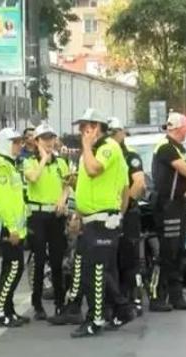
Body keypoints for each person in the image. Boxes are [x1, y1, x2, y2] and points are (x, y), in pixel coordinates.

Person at [55, 109, 135, 338]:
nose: (82, 132)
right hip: (90, 219)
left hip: (103, 219)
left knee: (95, 272)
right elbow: (85, 187)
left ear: (97, 128)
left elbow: (93, 171)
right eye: (81, 128)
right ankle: (122, 308)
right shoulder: (91, 151)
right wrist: (77, 216)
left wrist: (87, 146)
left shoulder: (108, 147)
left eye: (86, 127)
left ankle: (95, 319)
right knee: (97, 271)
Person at [150, 112, 186, 312]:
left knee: (177, 251)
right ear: (178, 128)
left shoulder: (178, 149)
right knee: (167, 252)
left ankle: (176, 295)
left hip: (178, 206)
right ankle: (158, 296)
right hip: (167, 207)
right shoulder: (166, 148)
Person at [23, 124, 69, 320]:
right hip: (37, 216)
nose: (49, 143)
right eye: (44, 139)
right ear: (37, 142)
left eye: (51, 139)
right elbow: (33, 178)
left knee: (58, 261)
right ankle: (37, 304)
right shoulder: (29, 162)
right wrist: (43, 159)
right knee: (40, 260)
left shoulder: (61, 163)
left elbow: (68, 185)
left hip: (56, 215)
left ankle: (60, 303)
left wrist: (63, 199)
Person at [0, 127, 27, 327]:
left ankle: (8, 310)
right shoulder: (3, 167)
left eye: (20, 142)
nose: (20, 145)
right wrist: (12, 228)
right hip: (7, 227)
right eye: (16, 142)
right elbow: (4, 201)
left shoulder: (10, 165)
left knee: (11, 268)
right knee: (14, 269)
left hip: (13, 227)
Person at [109, 117, 147, 316]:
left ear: (122, 133)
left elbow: (139, 183)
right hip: (107, 214)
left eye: (116, 132)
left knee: (129, 259)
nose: (114, 136)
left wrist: (124, 205)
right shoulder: (103, 155)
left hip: (126, 214)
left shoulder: (130, 156)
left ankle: (133, 298)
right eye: (110, 132)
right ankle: (113, 301)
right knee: (110, 260)